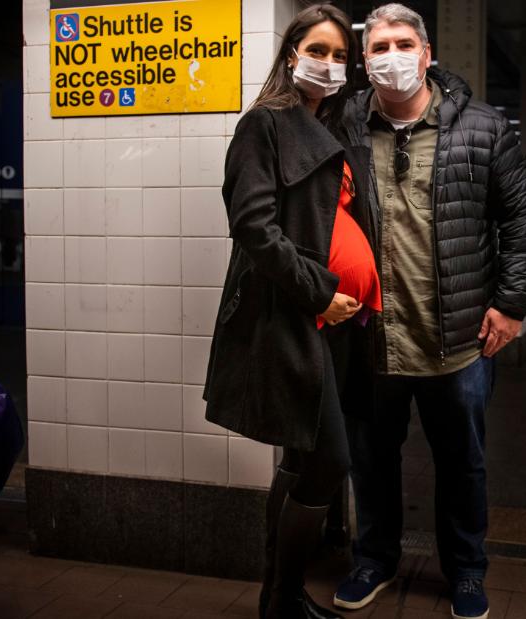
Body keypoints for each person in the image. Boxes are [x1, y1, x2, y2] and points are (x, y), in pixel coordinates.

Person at [334, 5, 526, 619]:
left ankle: (467, 571)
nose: (390, 56)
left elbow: (523, 215)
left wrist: (510, 304)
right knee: (372, 459)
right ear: (365, 59)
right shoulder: (342, 128)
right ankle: (374, 559)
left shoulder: (482, 127)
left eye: (403, 44)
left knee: (463, 463)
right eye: (377, 47)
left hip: (457, 340)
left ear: (427, 54)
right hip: (374, 336)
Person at [202, 5, 379, 619]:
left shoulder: (330, 129)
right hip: (295, 315)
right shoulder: (264, 125)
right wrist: (318, 291)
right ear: (291, 53)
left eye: (339, 56)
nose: (329, 65)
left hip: (338, 322)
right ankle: (281, 594)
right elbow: (253, 225)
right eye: (318, 51)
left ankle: (279, 600)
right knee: (329, 457)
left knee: (305, 455)